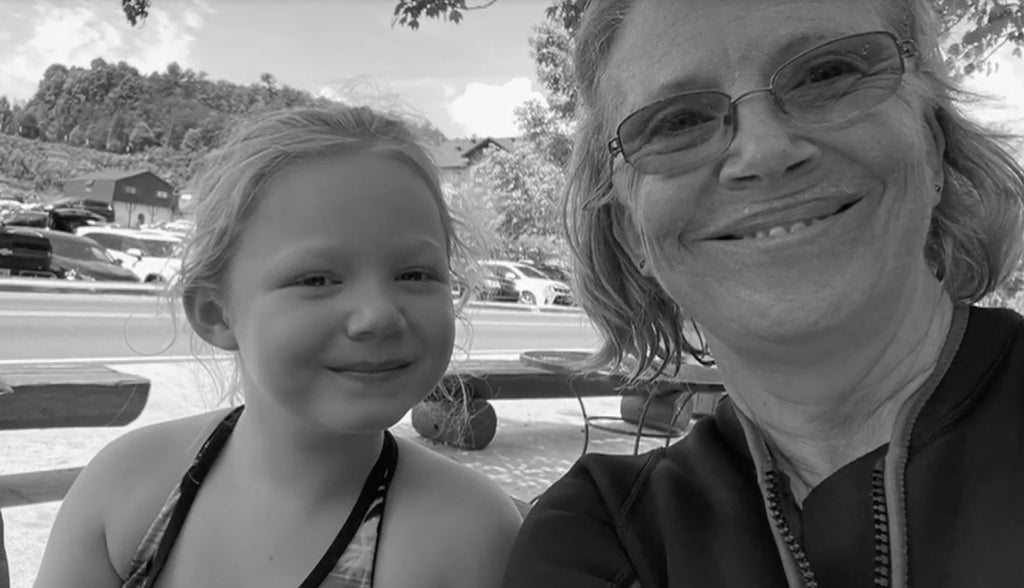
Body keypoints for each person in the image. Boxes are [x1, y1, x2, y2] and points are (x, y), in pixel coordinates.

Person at [503, 0, 1024, 586]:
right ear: (631, 231)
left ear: (932, 145)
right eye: (678, 122)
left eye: (826, 74)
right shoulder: (602, 536)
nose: (765, 153)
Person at [34, 106, 521, 588]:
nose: (379, 315)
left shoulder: (473, 536)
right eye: (317, 279)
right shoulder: (126, 487)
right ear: (215, 312)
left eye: (414, 274)